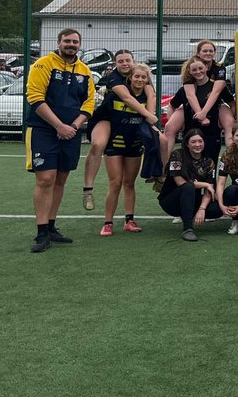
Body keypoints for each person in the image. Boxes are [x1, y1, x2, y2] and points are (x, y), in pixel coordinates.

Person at [26, 28, 96, 252]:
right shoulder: (43, 64)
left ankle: (52, 226)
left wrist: (73, 126)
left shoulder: (85, 71)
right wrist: (59, 126)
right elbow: (35, 97)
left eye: (75, 42)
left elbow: (89, 103)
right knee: (45, 179)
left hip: (71, 133)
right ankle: (41, 232)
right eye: (67, 41)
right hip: (43, 131)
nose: (71, 45)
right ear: (59, 42)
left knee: (60, 179)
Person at [81, 49, 160, 211]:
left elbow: (151, 93)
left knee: (162, 139)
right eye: (120, 61)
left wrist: (150, 118)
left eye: (127, 60)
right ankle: (88, 189)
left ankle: (159, 175)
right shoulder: (114, 78)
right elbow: (127, 98)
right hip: (107, 118)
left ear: (133, 61)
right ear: (115, 64)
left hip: (128, 122)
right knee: (98, 145)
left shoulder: (139, 74)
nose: (124, 64)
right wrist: (148, 115)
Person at [99, 64, 159, 236]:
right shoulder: (115, 95)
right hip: (114, 145)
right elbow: (102, 116)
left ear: (147, 80)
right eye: (137, 76)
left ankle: (129, 220)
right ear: (130, 78)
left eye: (143, 77)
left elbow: (150, 119)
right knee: (115, 183)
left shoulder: (148, 97)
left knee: (129, 183)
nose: (140, 80)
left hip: (134, 145)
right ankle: (108, 223)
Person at [163, 40, 234, 162]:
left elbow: (216, 92)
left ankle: (233, 161)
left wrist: (206, 113)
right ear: (198, 53)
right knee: (169, 127)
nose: (208, 53)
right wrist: (199, 116)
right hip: (194, 108)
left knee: (229, 123)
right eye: (204, 51)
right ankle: (163, 167)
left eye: (210, 51)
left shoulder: (219, 68)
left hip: (214, 104)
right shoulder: (191, 70)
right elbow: (190, 95)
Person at [157, 128, 219, 242]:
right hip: (171, 201)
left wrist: (202, 208)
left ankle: (193, 214)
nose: (197, 145)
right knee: (188, 186)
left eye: (200, 141)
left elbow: (209, 189)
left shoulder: (208, 162)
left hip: (193, 199)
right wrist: (205, 184)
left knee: (218, 208)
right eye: (193, 142)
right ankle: (188, 229)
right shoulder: (177, 155)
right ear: (186, 143)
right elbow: (180, 183)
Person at [167, 57, 224, 161]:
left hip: (211, 134)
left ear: (206, 67)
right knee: (188, 170)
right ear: (189, 71)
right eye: (194, 70)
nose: (198, 72)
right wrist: (175, 124)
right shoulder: (185, 89)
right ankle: (163, 169)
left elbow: (231, 104)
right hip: (190, 135)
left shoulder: (216, 88)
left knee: (210, 169)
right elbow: (171, 106)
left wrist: (224, 122)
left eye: (200, 68)